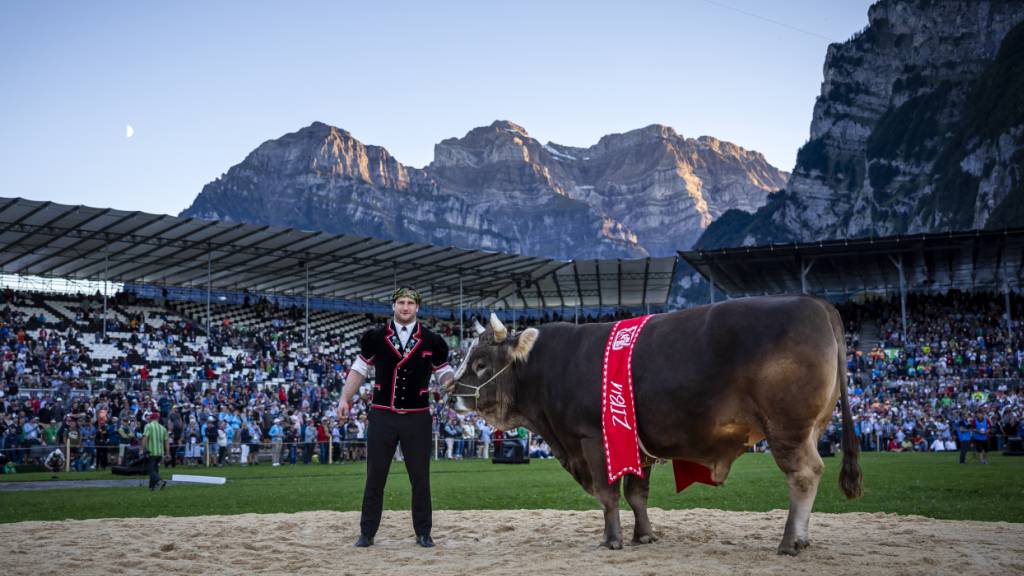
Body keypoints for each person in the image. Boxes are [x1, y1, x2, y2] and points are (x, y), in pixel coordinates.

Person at [337, 286, 454, 548]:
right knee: (375, 477)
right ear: (393, 305)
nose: (405, 307)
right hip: (382, 416)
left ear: (417, 308)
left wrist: (450, 382)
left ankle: (423, 532)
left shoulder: (432, 340)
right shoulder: (375, 337)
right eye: (401, 302)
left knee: (420, 479)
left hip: (418, 417)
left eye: (410, 303)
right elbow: (359, 369)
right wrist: (345, 398)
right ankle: (367, 532)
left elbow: (444, 372)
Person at [140, 411, 168, 491]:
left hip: (151, 452)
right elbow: (166, 442)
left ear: (151, 418)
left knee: (150, 471)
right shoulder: (163, 428)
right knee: (155, 470)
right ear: (157, 419)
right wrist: (167, 453)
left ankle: (160, 481)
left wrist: (142, 449)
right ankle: (151, 488)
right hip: (160, 453)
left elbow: (145, 437)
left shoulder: (148, 426)